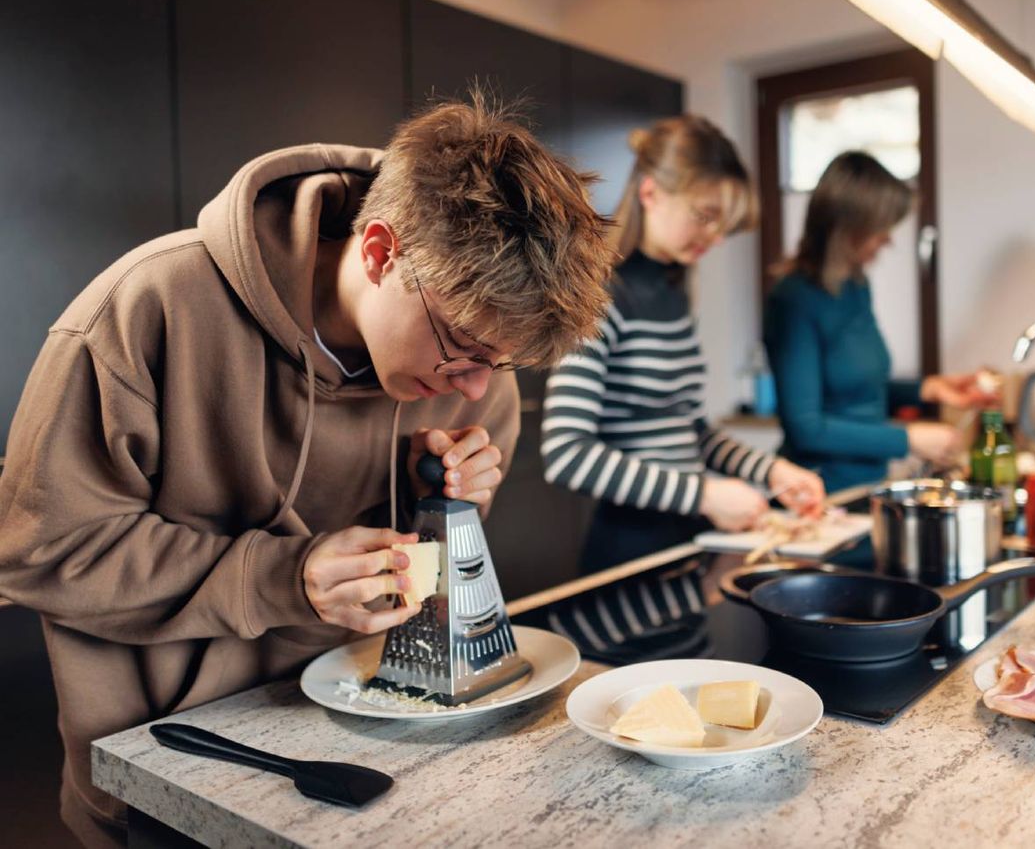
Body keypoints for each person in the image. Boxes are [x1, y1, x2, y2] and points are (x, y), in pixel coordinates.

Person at [0, 95, 613, 847]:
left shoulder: (471, 367)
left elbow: (419, 582)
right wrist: (285, 578)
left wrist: (447, 501)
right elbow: (40, 552)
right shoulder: (147, 308)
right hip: (174, 760)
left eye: (502, 362)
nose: (478, 388)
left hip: (376, 742)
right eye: (463, 347)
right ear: (381, 253)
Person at [541, 115, 824, 574]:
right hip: (628, 556)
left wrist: (769, 470)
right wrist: (704, 494)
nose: (715, 236)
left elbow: (689, 430)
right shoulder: (603, 297)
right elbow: (566, 454)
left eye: (723, 224)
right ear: (651, 193)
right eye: (705, 216)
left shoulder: (672, 294)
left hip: (683, 544)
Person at [765, 151, 996, 494]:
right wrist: (908, 439)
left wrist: (928, 389)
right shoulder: (793, 300)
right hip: (817, 490)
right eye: (881, 229)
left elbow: (857, 391)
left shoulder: (855, 287)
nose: (888, 239)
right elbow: (806, 428)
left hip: (867, 484)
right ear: (849, 229)